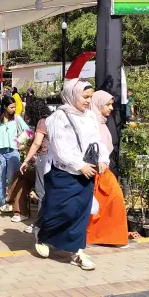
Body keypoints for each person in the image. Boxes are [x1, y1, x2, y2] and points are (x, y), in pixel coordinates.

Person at [34, 78, 109, 271]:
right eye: (85, 97)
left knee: (80, 214)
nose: (88, 101)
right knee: (62, 211)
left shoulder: (90, 116)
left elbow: (97, 141)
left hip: (87, 173)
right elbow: (60, 149)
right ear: (72, 95)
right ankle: (43, 233)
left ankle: (78, 252)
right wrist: (79, 165)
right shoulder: (57, 118)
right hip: (63, 173)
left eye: (90, 97)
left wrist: (102, 159)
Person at [86, 91, 129, 247]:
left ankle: (107, 237)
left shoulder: (102, 122)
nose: (111, 108)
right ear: (98, 105)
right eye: (107, 104)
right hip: (94, 171)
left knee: (107, 204)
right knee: (106, 202)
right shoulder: (91, 123)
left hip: (103, 170)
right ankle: (96, 237)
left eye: (111, 104)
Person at [19, 98, 54, 232]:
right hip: (54, 158)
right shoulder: (52, 119)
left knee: (41, 191)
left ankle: (40, 224)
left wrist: (26, 160)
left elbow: (37, 143)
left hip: (43, 158)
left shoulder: (41, 122)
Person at [0, 96, 29, 210]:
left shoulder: (17, 118)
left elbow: (28, 131)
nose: (14, 109)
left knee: (12, 178)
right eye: (11, 107)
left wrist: (20, 143)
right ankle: (0, 201)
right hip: (0, 152)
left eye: (14, 107)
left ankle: (12, 201)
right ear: (5, 107)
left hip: (13, 152)